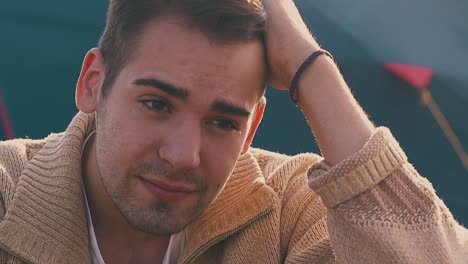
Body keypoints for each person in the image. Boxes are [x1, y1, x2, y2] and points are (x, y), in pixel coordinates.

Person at [0, 0, 467, 263]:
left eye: (223, 122)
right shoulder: (8, 190)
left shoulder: (290, 211)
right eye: (157, 104)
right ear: (92, 84)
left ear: (251, 129)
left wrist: (311, 67)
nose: (184, 154)